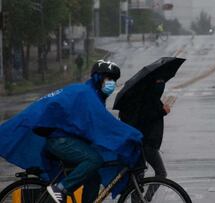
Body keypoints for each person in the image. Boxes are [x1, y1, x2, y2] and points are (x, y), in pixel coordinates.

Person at [0, 60, 143, 203]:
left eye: (114, 80)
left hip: (64, 141)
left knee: (94, 178)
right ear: (98, 78)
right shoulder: (86, 94)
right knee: (94, 160)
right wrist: (132, 135)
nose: (112, 83)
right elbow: (105, 124)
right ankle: (60, 190)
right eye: (109, 78)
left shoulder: (91, 94)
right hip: (60, 141)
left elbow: (99, 125)